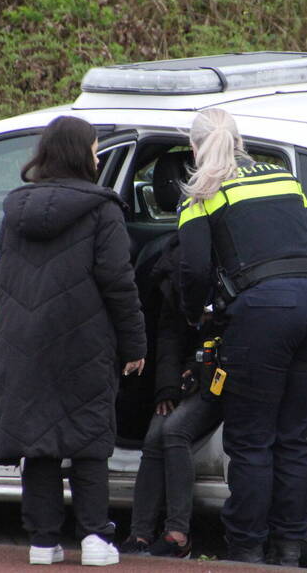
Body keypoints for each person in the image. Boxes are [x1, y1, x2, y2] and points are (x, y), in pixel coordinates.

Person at [176, 108, 307, 566]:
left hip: (264, 313)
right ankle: (288, 550)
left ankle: (246, 551)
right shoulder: (284, 177)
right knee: (293, 437)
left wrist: (196, 316)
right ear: (240, 140)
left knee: (250, 441)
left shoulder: (202, 191)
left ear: (194, 148)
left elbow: (192, 268)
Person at [0, 115, 146, 567]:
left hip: (24, 344)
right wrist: (135, 345)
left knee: (38, 442)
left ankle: (42, 542)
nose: (98, 158)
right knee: (89, 439)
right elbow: (119, 283)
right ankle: (95, 539)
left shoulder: (13, 211)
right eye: (95, 149)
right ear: (81, 155)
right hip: (86, 343)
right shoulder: (103, 210)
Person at [120, 152, 223, 559]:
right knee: (155, 432)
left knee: (175, 430)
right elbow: (167, 331)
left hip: (219, 371)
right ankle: (141, 534)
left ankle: (178, 534)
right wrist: (167, 385)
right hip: (185, 373)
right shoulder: (174, 259)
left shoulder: (226, 259)